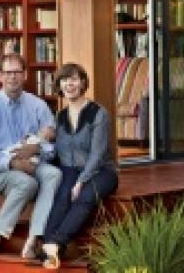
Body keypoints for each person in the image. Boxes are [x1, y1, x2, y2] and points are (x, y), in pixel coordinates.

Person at [0, 53, 62, 260]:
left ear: (25, 75)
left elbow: (53, 144)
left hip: (33, 162)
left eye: (17, 72)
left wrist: (37, 149)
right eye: (7, 72)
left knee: (54, 174)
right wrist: (13, 163)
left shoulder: (38, 105)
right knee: (27, 183)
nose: (12, 77)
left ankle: (34, 237)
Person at [40, 63, 118, 270]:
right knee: (62, 196)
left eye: (74, 79)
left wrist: (81, 181)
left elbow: (98, 153)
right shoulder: (59, 117)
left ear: (83, 83)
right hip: (69, 169)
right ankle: (49, 249)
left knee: (84, 197)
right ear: (59, 85)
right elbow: (56, 152)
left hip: (101, 171)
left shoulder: (98, 113)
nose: (69, 84)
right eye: (65, 80)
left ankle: (55, 243)